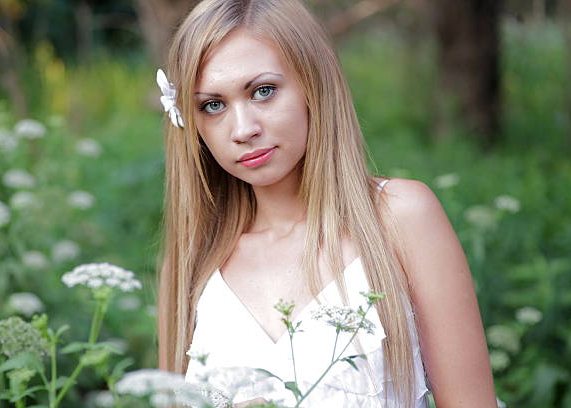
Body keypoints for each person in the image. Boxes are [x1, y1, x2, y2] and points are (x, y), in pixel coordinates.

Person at [156, 0, 498, 407]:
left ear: (313, 85)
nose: (243, 129)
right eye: (213, 105)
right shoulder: (195, 258)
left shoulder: (400, 217)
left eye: (263, 91)